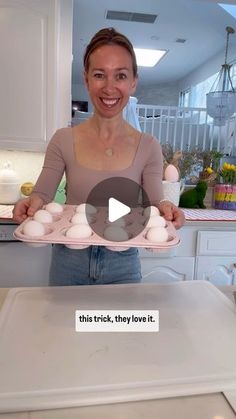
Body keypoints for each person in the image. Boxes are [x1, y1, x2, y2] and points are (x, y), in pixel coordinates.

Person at [13, 27, 185, 286]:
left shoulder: (148, 146)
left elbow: (155, 204)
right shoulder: (63, 140)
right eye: (99, 75)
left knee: (118, 327)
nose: (109, 87)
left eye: (121, 76)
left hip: (123, 263)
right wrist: (31, 203)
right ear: (86, 79)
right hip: (69, 261)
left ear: (133, 81)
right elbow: (42, 196)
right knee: (65, 327)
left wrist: (167, 209)